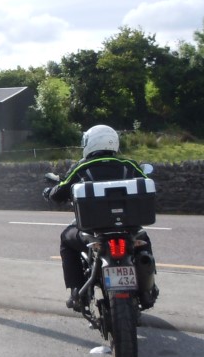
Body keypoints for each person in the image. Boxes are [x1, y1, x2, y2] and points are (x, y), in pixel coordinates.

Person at [44, 124, 158, 312]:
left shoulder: (82, 167)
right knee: (143, 239)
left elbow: (59, 192)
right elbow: (148, 186)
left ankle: (76, 292)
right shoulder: (128, 165)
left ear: (90, 143)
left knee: (66, 239)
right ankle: (147, 290)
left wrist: (49, 192)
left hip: (93, 232)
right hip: (128, 230)